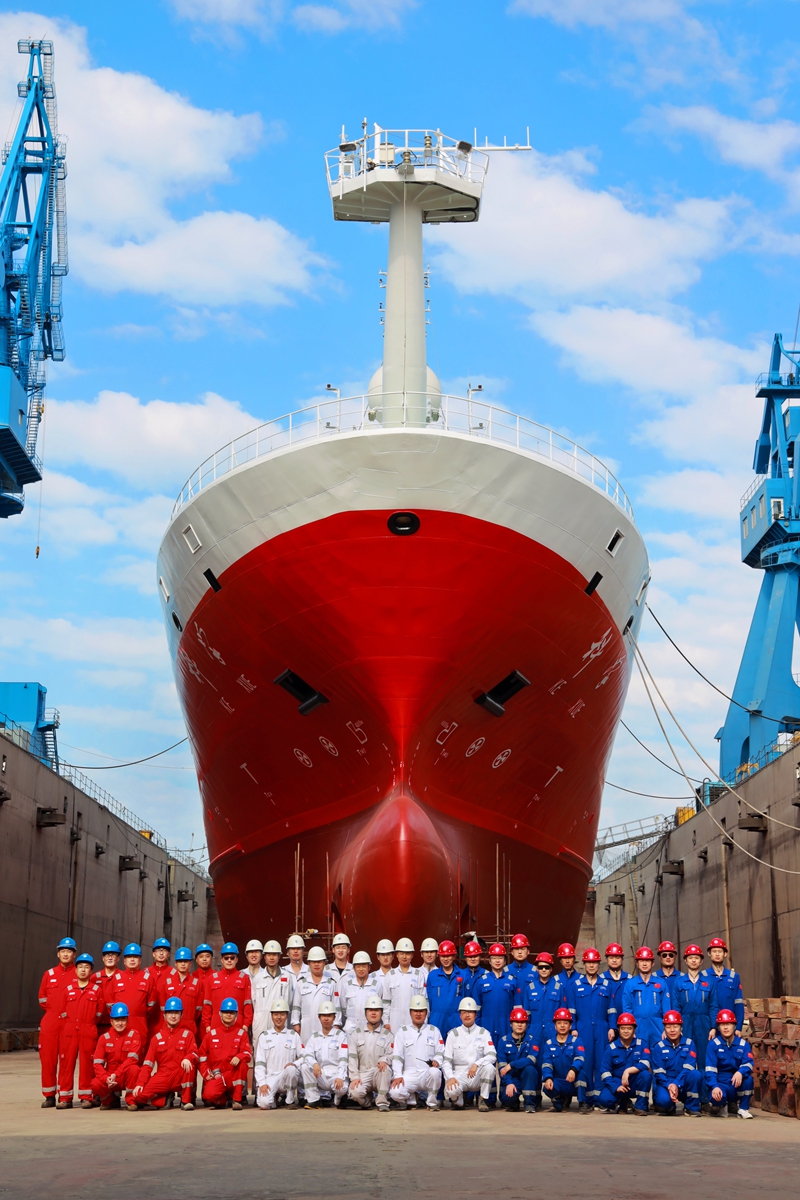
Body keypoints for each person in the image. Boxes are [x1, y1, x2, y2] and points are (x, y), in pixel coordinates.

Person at [128, 996, 197, 1111]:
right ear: (164, 1015)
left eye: (176, 1013)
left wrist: (188, 1058)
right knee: (138, 1096)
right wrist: (140, 1083)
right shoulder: (156, 1038)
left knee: (189, 1066)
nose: (173, 1016)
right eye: (170, 1013)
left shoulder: (187, 1035)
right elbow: (147, 1065)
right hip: (162, 1076)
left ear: (181, 1014)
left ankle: (185, 1101)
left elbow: (194, 1053)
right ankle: (164, 1099)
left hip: (178, 1075)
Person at [57, 954, 105, 1108]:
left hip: (88, 1029)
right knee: (66, 1063)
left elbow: (99, 1013)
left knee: (87, 1064)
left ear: (91, 971)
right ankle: (65, 1097)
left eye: (86, 967)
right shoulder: (68, 990)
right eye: (80, 967)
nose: (83, 970)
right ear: (76, 970)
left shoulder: (97, 990)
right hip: (70, 1030)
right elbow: (63, 1011)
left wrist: (87, 1024)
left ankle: (86, 1096)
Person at [571, 948, 615, 1107]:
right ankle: (584, 1099)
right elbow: (572, 1010)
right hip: (583, 1028)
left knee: (601, 1062)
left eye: (594, 963)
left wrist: (612, 1027)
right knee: (585, 1062)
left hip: (602, 1027)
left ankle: (600, 1098)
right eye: (588, 962)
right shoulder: (576, 985)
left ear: (598, 964)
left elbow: (611, 1009)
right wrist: (573, 1028)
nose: (591, 965)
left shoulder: (606, 984)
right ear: (584, 964)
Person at [38, 936, 77, 1107]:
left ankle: (65, 1096)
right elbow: (42, 999)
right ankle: (49, 1095)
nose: (66, 954)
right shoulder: (49, 974)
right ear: (58, 954)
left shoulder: (79, 973)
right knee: (47, 1059)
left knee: (67, 1059)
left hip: (69, 1022)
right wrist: (54, 1012)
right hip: (51, 1020)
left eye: (69, 951)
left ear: (74, 955)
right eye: (63, 951)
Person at [672, 944, 717, 1091]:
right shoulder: (679, 982)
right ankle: (686, 1095)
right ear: (685, 960)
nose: (693, 960)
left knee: (703, 1060)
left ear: (701, 961)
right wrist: (678, 1027)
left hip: (704, 1024)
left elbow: (713, 1006)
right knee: (684, 1058)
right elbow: (676, 1007)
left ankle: (704, 1096)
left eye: (696, 958)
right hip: (685, 1023)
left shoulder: (709, 982)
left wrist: (713, 1027)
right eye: (690, 958)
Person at [389, 994, 444, 1111]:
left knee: (435, 1072)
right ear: (410, 1013)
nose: (418, 1014)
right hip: (409, 1074)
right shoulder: (402, 1032)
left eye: (421, 1011)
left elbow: (440, 1051)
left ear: (426, 1013)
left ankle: (431, 1102)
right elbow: (397, 1056)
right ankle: (412, 1098)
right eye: (415, 1011)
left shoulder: (434, 1031)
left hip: (427, 1074)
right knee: (395, 1092)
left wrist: (437, 1061)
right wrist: (398, 1075)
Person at [442, 996, 497, 1112]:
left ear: (475, 1015)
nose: (467, 1015)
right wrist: (450, 1077)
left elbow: (492, 1055)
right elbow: (446, 1061)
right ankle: (459, 1101)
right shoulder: (453, 1034)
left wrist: (477, 1064)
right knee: (451, 1090)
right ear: (460, 1015)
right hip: (459, 1075)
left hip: (477, 1075)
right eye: (464, 1012)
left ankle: (482, 1099)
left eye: (470, 1012)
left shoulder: (483, 1033)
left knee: (489, 1068)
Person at [198, 997, 252, 1110]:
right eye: (226, 1012)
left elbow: (248, 1053)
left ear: (236, 1015)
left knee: (242, 1064)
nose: (228, 1015)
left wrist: (239, 1056)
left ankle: (236, 1100)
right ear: (220, 1014)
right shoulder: (211, 1034)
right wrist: (206, 1073)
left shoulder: (241, 1034)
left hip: (233, 1074)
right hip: (218, 1076)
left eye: (231, 1012)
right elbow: (201, 1057)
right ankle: (222, 1100)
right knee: (208, 1095)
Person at [596, 1012, 652, 1115]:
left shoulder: (641, 1044)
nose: (626, 1031)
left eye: (629, 1028)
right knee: (604, 1100)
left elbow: (646, 1062)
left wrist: (628, 1071)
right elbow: (604, 1072)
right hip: (617, 1082)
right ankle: (623, 1102)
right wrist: (615, 1087)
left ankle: (640, 1106)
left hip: (635, 1081)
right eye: (623, 1028)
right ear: (618, 1029)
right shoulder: (611, 1048)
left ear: (634, 1030)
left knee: (646, 1075)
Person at [254, 998, 303, 1110]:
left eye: (282, 1014)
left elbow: (303, 1056)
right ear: (271, 1016)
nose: (279, 1017)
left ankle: (289, 1100)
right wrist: (262, 1083)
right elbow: (260, 1062)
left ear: (287, 1016)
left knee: (291, 1069)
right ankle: (274, 1099)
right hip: (270, 1078)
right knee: (264, 1104)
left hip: (285, 1077)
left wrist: (295, 1064)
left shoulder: (293, 1035)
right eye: (276, 1014)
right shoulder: (264, 1036)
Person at [91, 1002, 143, 1108]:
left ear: (127, 1020)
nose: (120, 1023)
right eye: (117, 1020)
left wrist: (117, 1073)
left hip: (126, 1075)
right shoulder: (104, 1038)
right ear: (111, 1021)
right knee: (95, 1083)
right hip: (110, 1077)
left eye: (123, 1020)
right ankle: (109, 1100)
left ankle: (131, 1100)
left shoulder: (134, 1035)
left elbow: (132, 1059)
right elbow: (97, 1064)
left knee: (135, 1069)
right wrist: (106, 1078)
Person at [705, 1008, 754, 1119]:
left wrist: (740, 1072)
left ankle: (743, 1109)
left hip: (736, 1083)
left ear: (734, 1026)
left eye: (728, 1024)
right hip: (720, 1083)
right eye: (722, 1025)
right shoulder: (713, 1045)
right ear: (718, 1027)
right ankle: (721, 1106)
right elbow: (710, 1069)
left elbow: (749, 1062)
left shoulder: (743, 1044)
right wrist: (714, 1086)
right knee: (716, 1096)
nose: (725, 1027)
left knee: (748, 1080)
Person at [651, 1010, 701, 1117]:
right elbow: (659, 1073)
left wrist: (676, 1084)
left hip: (683, 1083)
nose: (672, 1030)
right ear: (664, 1029)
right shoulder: (658, 1047)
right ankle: (670, 1107)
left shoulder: (689, 1044)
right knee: (663, 1101)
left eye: (675, 1026)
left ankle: (691, 1107)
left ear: (681, 1027)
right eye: (668, 1027)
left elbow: (689, 1068)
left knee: (696, 1074)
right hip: (666, 1084)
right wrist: (669, 1085)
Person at [347, 994, 393, 1110]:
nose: (373, 1013)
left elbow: (392, 1054)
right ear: (365, 1013)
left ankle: (382, 1102)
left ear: (381, 1013)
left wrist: (384, 1060)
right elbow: (352, 1058)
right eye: (370, 1010)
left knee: (385, 1069)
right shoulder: (356, 1034)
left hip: (379, 1073)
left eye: (377, 1010)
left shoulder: (388, 1035)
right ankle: (367, 1102)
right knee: (354, 1092)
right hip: (363, 1074)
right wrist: (354, 1077)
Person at [472, 943, 516, 1065]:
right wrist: (478, 1028)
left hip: (506, 1026)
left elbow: (516, 1008)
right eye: (494, 958)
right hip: (487, 1026)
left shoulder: (512, 981)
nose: (497, 961)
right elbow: (477, 1009)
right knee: (486, 1061)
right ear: (489, 961)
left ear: (505, 961)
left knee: (506, 1060)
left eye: (500, 957)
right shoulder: (481, 981)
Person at [620, 946, 671, 1051]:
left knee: (659, 1055)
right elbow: (627, 1009)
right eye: (641, 961)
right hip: (638, 1027)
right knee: (639, 1056)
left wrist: (667, 1028)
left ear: (653, 963)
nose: (644, 963)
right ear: (637, 963)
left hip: (657, 1027)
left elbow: (666, 1009)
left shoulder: (661, 983)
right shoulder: (630, 984)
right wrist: (630, 1030)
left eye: (647, 961)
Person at [301, 1000, 348, 1109]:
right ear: (319, 1017)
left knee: (342, 1088)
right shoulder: (314, 1037)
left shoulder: (341, 1036)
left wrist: (340, 1076)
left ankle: (339, 1098)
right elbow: (307, 1054)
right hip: (321, 1074)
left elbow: (343, 1058)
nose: (326, 1019)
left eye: (329, 1016)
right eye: (323, 1016)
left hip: (336, 1075)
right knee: (305, 1067)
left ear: (334, 1017)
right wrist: (314, 1064)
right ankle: (314, 1100)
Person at [107, 943, 156, 1044]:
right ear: (124, 961)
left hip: (140, 1024)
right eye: (129, 957)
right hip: (120, 1024)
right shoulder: (116, 978)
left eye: (135, 957)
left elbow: (151, 1005)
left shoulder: (148, 979)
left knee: (139, 1051)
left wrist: (139, 1015)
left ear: (140, 960)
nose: (132, 959)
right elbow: (109, 1004)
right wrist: (118, 1018)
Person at [291, 947, 341, 1042]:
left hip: (326, 1026)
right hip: (306, 1027)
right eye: (313, 962)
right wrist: (295, 1022)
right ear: (309, 963)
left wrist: (336, 1024)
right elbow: (296, 1006)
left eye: (319, 961)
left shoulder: (331, 983)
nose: (316, 964)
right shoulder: (301, 983)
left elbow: (336, 1006)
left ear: (324, 963)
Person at [540, 1008, 586, 1112]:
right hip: (559, 1081)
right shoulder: (549, 1044)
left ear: (570, 1026)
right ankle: (560, 1100)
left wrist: (573, 1070)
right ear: (555, 1026)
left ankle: (582, 1103)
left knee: (582, 1075)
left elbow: (580, 1058)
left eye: (565, 1023)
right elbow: (547, 1064)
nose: (562, 1026)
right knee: (546, 1088)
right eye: (559, 1023)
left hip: (573, 1080)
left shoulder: (577, 1041)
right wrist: (548, 1078)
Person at [250, 940, 294, 1047]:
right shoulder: (258, 978)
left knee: (280, 1050)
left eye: (274, 954)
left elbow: (290, 1000)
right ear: (264, 957)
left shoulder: (287, 977)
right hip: (261, 1021)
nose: (271, 957)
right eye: (269, 954)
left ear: (279, 956)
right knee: (260, 1051)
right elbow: (253, 1001)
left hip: (280, 1020)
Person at [202, 942, 253, 1035]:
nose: (229, 960)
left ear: (236, 959)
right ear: (222, 960)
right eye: (226, 958)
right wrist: (207, 1025)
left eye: (232, 958)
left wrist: (246, 1024)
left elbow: (247, 1004)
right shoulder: (212, 978)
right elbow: (207, 1004)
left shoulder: (244, 978)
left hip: (238, 1022)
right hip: (216, 1022)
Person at [496, 1005, 539, 1113]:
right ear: (511, 1024)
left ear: (526, 1024)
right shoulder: (503, 1042)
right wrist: (509, 1083)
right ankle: (514, 1103)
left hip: (526, 1078)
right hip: (511, 1078)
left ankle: (529, 1104)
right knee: (508, 1100)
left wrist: (511, 1065)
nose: (519, 1025)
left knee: (530, 1069)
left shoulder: (532, 1040)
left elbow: (531, 1060)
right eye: (516, 1022)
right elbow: (502, 1068)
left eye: (522, 1022)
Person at [380, 938, 424, 1034]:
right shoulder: (390, 975)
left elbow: (425, 1001)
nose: (404, 956)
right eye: (401, 953)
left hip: (413, 1021)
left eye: (407, 953)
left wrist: (424, 1021)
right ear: (397, 954)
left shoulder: (418, 975)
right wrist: (386, 1022)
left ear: (412, 955)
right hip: (394, 1022)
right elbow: (386, 1002)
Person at [159, 946, 204, 1034]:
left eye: (186, 961)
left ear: (190, 963)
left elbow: (198, 1011)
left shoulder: (197, 984)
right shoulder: (167, 983)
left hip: (189, 1027)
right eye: (180, 961)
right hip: (170, 1027)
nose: (183, 964)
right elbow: (163, 1009)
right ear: (175, 963)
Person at [703, 939, 745, 1033]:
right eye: (714, 951)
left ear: (725, 954)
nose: (717, 954)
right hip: (709, 1028)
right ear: (709, 954)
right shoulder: (703, 976)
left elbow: (738, 1003)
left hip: (729, 1025)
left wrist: (738, 1027)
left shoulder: (734, 977)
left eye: (720, 951)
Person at [426, 940, 465, 1039]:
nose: (445, 959)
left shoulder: (463, 975)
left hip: (457, 1020)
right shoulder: (432, 976)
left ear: (454, 956)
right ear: (439, 957)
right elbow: (429, 1000)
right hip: (437, 1020)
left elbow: (466, 997)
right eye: (443, 956)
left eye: (448, 956)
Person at [342, 952, 378, 1033]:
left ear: (369, 967)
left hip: (369, 1027)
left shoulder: (376, 985)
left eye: (364, 966)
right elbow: (344, 1007)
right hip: (351, 1028)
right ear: (354, 968)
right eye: (358, 966)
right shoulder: (347, 985)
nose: (361, 969)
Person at [92, 941, 120, 1033]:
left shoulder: (123, 977)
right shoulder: (94, 978)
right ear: (103, 958)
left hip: (116, 1024)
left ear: (118, 958)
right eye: (107, 955)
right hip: (97, 1024)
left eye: (113, 955)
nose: (110, 958)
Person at [600, 943, 630, 1017]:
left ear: (622, 960)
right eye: (611, 958)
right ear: (606, 960)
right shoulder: (600, 980)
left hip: (627, 1021)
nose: (614, 960)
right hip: (607, 1021)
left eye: (617, 958)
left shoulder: (630, 980)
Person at [552, 942, 579, 1012]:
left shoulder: (582, 979)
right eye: (564, 958)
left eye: (569, 958)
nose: (567, 961)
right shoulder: (554, 980)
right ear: (560, 960)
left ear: (574, 959)